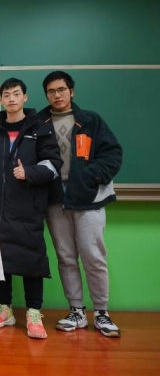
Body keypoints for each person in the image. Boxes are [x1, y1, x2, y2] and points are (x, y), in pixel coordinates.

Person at [38, 71, 123, 338]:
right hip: (55, 198)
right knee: (65, 257)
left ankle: (101, 312)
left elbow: (112, 153)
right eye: (51, 91)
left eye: (61, 89)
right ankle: (76, 311)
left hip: (88, 197)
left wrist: (90, 177)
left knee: (93, 255)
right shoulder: (39, 123)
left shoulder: (90, 120)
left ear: (71, 91)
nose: (57, 95)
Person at [0, 78, 61, 339]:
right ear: (1, 99)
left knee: (30, 259)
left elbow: (53, 164)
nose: (11, 99)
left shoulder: (40, 129)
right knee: (0, 259)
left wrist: (30, 173)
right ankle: (4, 309)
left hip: (28, 204)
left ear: (25, 98)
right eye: (6, 95)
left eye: (16, 94)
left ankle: (34, 313)